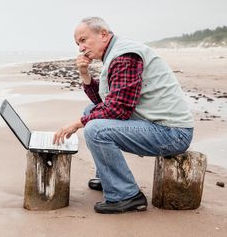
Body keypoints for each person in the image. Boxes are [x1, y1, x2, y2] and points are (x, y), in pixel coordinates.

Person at [53, 17, 194, 214]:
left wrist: (77, 124)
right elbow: (102, 104)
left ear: (103, 34)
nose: (80, 48)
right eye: (78, 43)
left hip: (172, 133)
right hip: (156, 124)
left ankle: (126, 195)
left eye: (84, 40)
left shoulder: (124, 56)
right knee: (90, 113)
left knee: (95, 129)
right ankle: (107, 177)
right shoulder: (115, 53)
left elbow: (118, 109)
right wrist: (84, 73)